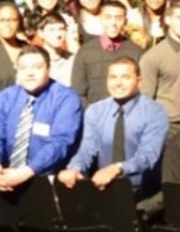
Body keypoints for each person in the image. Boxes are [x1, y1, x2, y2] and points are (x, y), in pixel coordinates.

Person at [59, 57, 169, 197]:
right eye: (112, 77)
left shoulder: (155, 112)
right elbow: (87, 149)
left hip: (141, 190)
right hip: (103, 187)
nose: (118, 83)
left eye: (125, 77)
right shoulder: (95, 111)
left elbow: (147, 156)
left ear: (138, 81)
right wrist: (75, 168)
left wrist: (118, 168)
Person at [0, 46, 83, 189]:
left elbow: (60, 143)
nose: (29, 73)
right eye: (23, 68)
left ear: (48, 68)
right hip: (5, 179)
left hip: (47, 181)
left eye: (37, 67)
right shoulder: (5, 98)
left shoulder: (66, 99)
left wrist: (25, 173)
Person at [139, 2, 180, 139]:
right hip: (169, 125)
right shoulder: (153, 56)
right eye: (179, 18)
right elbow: (145, 99)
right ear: (168, 20)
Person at [70, 0, 143, 106]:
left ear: (125, 21)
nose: (113, 23)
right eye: (108, 17)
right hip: (95, 115)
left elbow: (141, 89)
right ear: (100, 19)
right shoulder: (85, 52)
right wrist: (91, 114)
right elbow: (78, 91)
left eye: (118, 18)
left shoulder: (136, 52)